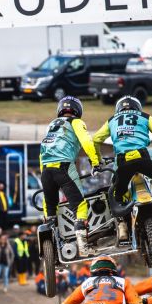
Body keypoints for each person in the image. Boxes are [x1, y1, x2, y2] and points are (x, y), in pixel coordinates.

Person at [93, 95, 152, 235]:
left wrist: (98, 160)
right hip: (143, 156)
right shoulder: (145, 116)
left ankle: (122, 226)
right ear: (138, 107)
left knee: (116, 192)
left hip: (122, 160)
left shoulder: (111, 120)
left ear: (118, 109)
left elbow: (96, 139)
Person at [40, 96, 100, 257]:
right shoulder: (76, 122)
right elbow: (87, 141)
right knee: (79, 206)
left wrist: (43, 171)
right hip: (64, 167)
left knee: (50, 209)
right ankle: (83, 247)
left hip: (46, 170)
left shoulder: (51, 125)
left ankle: (52, 249)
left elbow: (43, 149)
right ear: (78, 110)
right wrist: (95, 162)